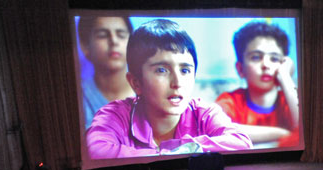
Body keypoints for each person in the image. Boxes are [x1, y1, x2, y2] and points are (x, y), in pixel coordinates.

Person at [86, 19, 253, 159]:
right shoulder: (114, 115)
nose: (177, 82)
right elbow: (96, 151)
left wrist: (184, 150)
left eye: (185, 70)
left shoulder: (204, 113)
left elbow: (241, 142)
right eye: (162, 70)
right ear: (136, 82)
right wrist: (169, 154)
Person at [216, 21, 299, 147]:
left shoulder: (288, 101)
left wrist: (286, 77)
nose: (266, 65)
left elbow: (305, 128)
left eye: (274, 59)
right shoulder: (230, 101)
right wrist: (281, 133)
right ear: (240, 69)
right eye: (256, 57)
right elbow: (216, 129)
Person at [78, 16, 135, 130]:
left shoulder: (152, 92)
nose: (114, 41)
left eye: (121, 35)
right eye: (103, 35)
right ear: (85, 46)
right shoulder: (78, 97)